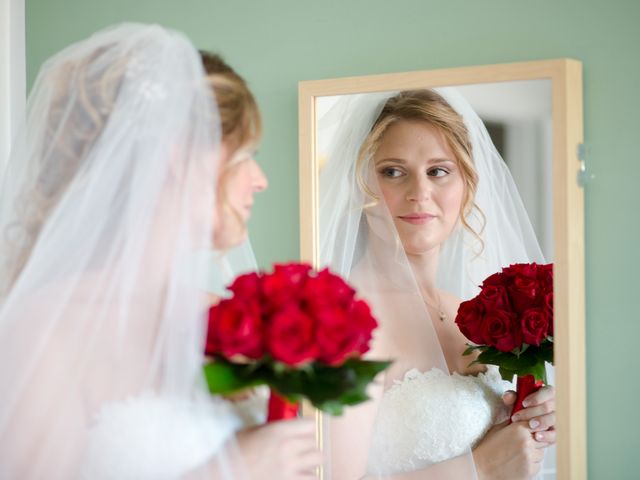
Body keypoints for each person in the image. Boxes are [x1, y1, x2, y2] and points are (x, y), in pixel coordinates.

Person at [0, 23, 321, 479]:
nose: (260, 179)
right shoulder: (42, 328)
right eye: (246, 153)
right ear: (180, 156)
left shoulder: (217, 318)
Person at [319, 89, 556, 479]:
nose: (419, 193)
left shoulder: (468, 311)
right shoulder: (347, 322)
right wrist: (481, 467)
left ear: (467, 183)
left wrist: (532, 421)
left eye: (438, 171)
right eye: (392, 171)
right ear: (359, 184)